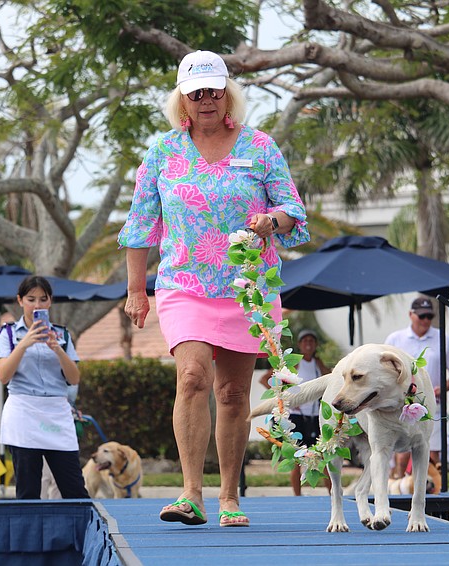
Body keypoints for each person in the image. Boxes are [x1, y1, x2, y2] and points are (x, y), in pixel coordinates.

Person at [118, 50, 309, 527]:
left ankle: (229, 497)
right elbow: (141, 224)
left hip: (248, 287)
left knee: (231, 393)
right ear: (182, 99)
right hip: (183, 282)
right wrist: (136, 290)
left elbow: (293, 212)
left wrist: (272, 220)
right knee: (192, 378)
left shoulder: (260, 146)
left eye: (214, 90)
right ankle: (190, 494)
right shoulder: (164, 151)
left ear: (228, 93)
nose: (206, 99)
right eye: (196, 92)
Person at [0, 275, 89, 500]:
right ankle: (29, 535)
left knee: (74, 487)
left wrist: (57, 348)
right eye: (31, 299)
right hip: (23, 412)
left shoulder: (62, 334)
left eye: (43, 299)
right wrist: (25, 343)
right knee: (28, 489)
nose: (37, 305)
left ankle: (79, 534)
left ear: (50, 301)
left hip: (56, 409)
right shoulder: (8, 334)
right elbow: (4, 375)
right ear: (20, 301)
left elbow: (74, 378)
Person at [384, 296, 449, 477]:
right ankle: (401, 491)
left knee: (432, 452)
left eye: (429, 317)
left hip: (432, 403)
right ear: (411, 315)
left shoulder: (444, 339)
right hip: (401, 403)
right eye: (421, 316)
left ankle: (431, 493)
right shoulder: (395, 338)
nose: (425, 321)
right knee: (402, 454)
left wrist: (442, 388)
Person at [259, 328, 332, 495]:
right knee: (296, 458)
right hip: (296, 417)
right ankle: (297, 496)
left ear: (315, 345)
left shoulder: (318, 363)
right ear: (299, 344)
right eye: (305, 340)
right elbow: (265, 379)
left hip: (315, 417)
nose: (308, 343)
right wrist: (284, 399)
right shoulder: (293, 364)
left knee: (323, 457)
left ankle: (332, 494)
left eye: (311, 341)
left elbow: (333, 381)